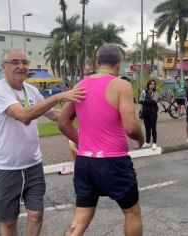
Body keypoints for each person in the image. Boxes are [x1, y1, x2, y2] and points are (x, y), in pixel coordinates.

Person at [0, 48, 85, 236]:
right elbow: (23, 116)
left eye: (24, 63)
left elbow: (54, 115)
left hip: (33, 165)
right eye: (15, 62)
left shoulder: (31, 89)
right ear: (3, 66)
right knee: (9, 221)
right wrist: (58, 97)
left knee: (36, 214)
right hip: (6, 167)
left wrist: (83, 113)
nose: (21, 67)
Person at [58, 44, 144, 236]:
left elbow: (63, 123)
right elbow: (131, 127)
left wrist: (82, 142)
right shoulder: (122, 85)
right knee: (131, 212)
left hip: (85, 161)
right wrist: (141, 138)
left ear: (97, 63)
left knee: (80, 218)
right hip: (113, 161)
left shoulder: (80, 85)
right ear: (119, 63)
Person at [139, 79, 159, 150]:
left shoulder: (156, 92)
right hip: (145, 112)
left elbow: (154, 101)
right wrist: (147, 101)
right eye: (151, 84)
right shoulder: (144, 92)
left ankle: (154, 143)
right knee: (147, 128)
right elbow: (140, 100)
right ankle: (147, 142)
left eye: (154, 84)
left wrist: (144, 101)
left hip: (153, 112)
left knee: (153, 128)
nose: (152, 85)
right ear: (148, 85)